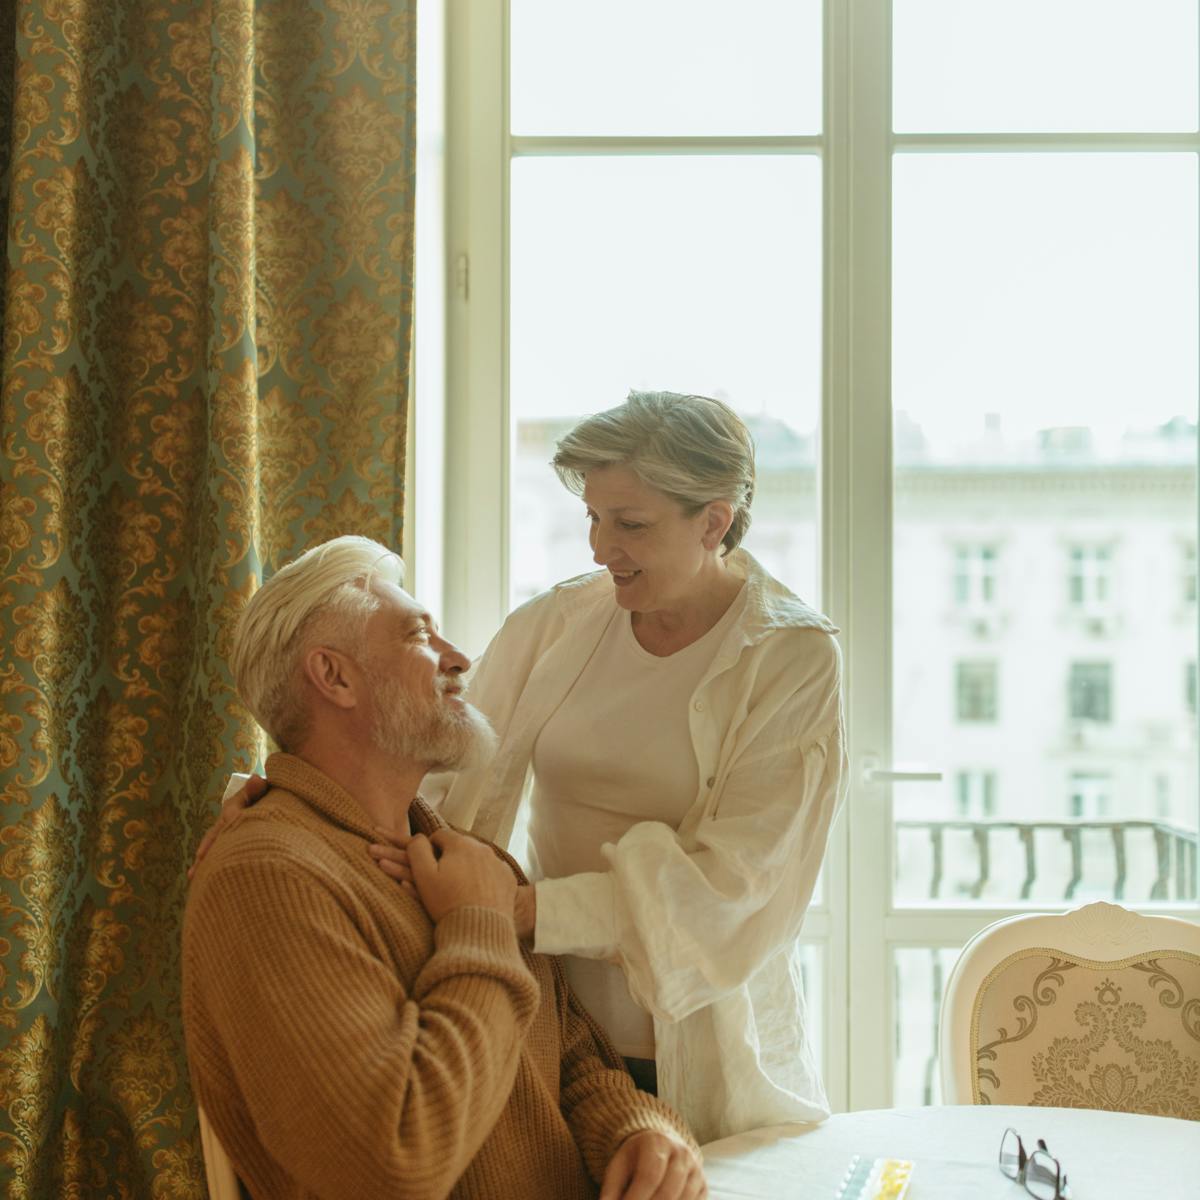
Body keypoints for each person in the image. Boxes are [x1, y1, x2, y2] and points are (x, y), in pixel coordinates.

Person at [377, 391, 847, 1143]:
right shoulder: (559, 621)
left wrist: (529, 911)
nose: (600, 547)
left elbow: (734, 886)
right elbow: (431, 767)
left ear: (714, 522)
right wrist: (281, 801)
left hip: (703, 1046)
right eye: (593, 518)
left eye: (630, 524)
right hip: (546, 1025)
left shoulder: (792, 656)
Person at [182, 535, 705, 1200]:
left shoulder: (467, 861)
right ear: (333, 677)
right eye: (419, 636)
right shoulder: (269, 878)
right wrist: (479, 924)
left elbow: (568, 1059)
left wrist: (637, 1132)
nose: (459, 661)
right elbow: (390, 1164)